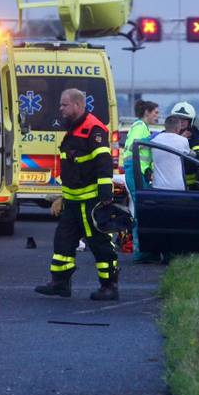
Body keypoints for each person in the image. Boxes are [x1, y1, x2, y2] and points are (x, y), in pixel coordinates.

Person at [35, 89, 119, 301]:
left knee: (99, 244)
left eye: (64, 105)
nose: (60, 109)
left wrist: (105, 195)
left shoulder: (94, 130)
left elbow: (103, 164)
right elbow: (72, 170)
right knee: (63, 242)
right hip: (72, 202)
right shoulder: (73, 130)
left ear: (78, 105)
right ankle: (60, 283)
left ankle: (109, 286)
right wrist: (61, 197)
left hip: (90, 202)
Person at [122, 100, 159, 263]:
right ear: (147, 113)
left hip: (138, 171)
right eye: (156, 112)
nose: (158, 116)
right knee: (141, 211)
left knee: (142, 210)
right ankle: (140, 252)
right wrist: (157, 138)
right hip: (135, 171)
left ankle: (142, 249)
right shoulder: (139, 127)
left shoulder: (142, 127)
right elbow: (138, 145)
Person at [147, 116, 193, 191]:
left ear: (165, 127)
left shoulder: (154, 140)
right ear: (178, 128)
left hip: (158, 186)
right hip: (177, 188)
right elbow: (190, 154)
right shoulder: (183, 141)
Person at [169, 101, 199, 188]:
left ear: (190, 121)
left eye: (184, 119)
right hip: (167, 183)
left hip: (188, 186)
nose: (181, 122)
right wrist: (180, 138)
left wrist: (184, 146)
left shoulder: (194, 136)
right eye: (178, 119)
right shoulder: (165, 134)